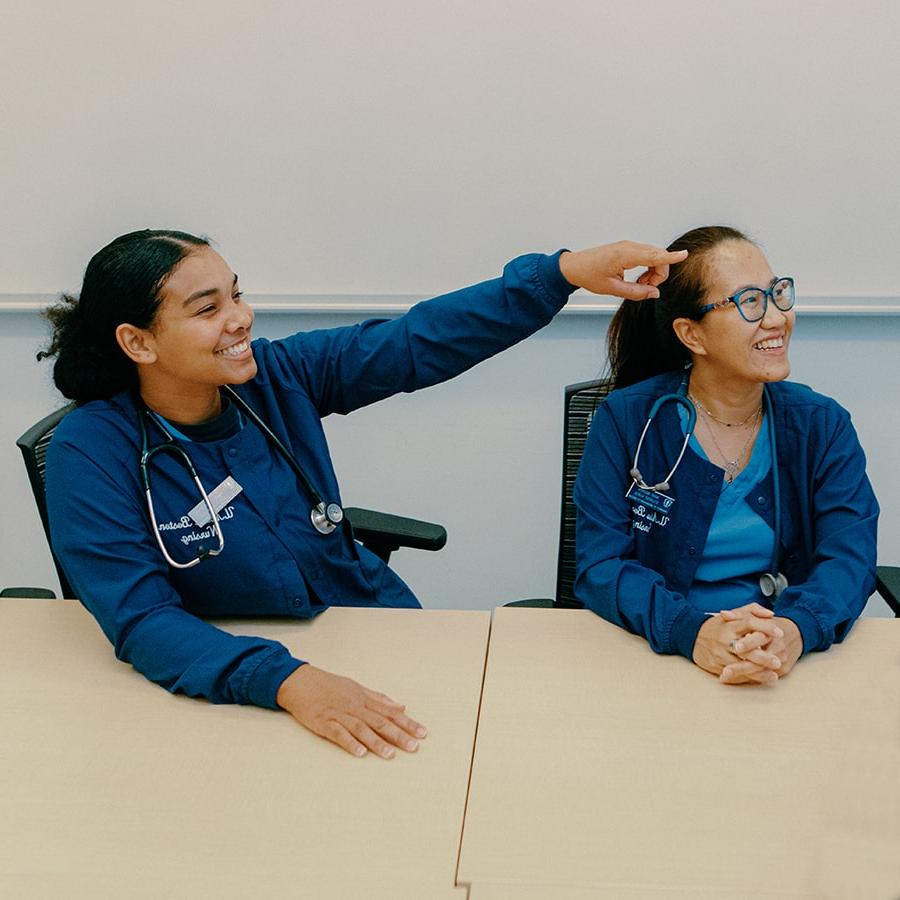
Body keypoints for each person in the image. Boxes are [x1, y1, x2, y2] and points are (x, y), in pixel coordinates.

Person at [41, 228, 686, 756]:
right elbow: (143, 619)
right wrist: (289, 681)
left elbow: (415, 343)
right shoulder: (92, 451)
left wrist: (562, 273)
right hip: (238, 680)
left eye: (237, 295)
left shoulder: (276, 377)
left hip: (371, 630)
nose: (241, 319)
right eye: (208, 309)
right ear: (138, 341)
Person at [573, 225, 879, 686]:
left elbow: (849, 558)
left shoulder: (822, 425)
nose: (776, 318)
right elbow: (601, 567)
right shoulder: (627, 420)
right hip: (655, 659)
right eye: (750, 302)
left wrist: (793, 630)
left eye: (777, 294)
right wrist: (692, 633)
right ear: (691, 335)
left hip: (780, 662)